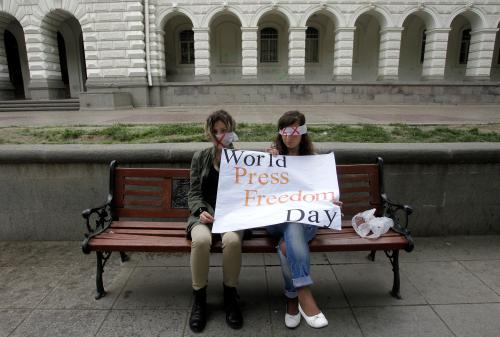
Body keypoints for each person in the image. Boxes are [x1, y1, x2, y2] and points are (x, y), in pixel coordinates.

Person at [266, 110, 342, 329]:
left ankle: (292, 299)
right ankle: (305, 294)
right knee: (292, 223)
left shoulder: (315, 162)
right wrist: (268, 165)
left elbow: (324, 193)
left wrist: (331, 202)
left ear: (303, 132)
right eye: (285, 131)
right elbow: (259, 193)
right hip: (274, 220)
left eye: (295, 130)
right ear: (280, 133)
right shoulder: (272, 158)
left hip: (304, 221)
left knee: (288, 241)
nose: (290, 136)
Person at [186, 110, 243, 332]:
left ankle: (230, 297)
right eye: (215, 131)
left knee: (233, 241)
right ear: (209, 133)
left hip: (231, 216)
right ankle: (199, 298)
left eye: (224, 130)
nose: (220, 135)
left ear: (231, 132)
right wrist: (200, 210)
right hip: (204, 215)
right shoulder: (200, 157)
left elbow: (249, 191)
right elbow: (193, 192)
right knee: (200, 241)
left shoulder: (242, 159)